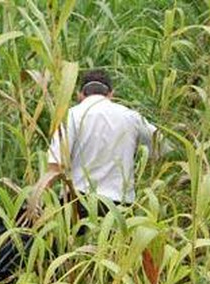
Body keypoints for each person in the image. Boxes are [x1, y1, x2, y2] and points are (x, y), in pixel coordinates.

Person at [28, 69, 161, 220]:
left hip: (78, 202)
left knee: (61, 242)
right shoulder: (132, 117)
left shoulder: (72, 115)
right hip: (120, 207)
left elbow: (55, 167)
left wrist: (34, 203)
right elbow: (161, 145)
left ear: (80, 95)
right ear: (111, 94)